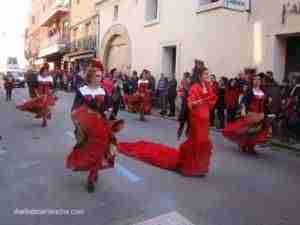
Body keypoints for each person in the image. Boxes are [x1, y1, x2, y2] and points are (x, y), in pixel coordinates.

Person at [118, 67, 217, 176]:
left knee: (203, 142)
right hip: (197, 118)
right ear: (200, 76)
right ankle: (191, 166)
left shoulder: (208, 87)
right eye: (205, 74)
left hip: (205, 119)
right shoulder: (195, 87)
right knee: (196, 141)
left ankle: (200, 167)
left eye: (208, 74)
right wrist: (199, 101)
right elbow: (190, 104)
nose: (207, 76)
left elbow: (212, 101)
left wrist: (207, 101)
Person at [66, 68, 124, 193]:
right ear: (90, 77)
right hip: (86, 126)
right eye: (97, 76)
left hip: (100, 125)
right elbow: (75, 109)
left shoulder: (102, 91)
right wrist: (77, 124)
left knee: (100, 150)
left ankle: (92, 176)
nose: (100, 78)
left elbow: (109, 106)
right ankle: (91, 168)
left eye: (100, 76)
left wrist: (114, 98)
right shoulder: (82, 91)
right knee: (88, 150)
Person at [223, 75, 271, 154]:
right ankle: (244, 145)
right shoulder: (250, 91)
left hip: (260, 114)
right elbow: (244, 102)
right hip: (251, 114)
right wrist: (243, 110)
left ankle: (251, 147)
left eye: (258, 79)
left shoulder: (264, 91)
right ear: (252, 81)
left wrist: (269, 102)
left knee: (257, 132)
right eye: (255, 79)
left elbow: (266, 103)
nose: (257, 81)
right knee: (248, 131)